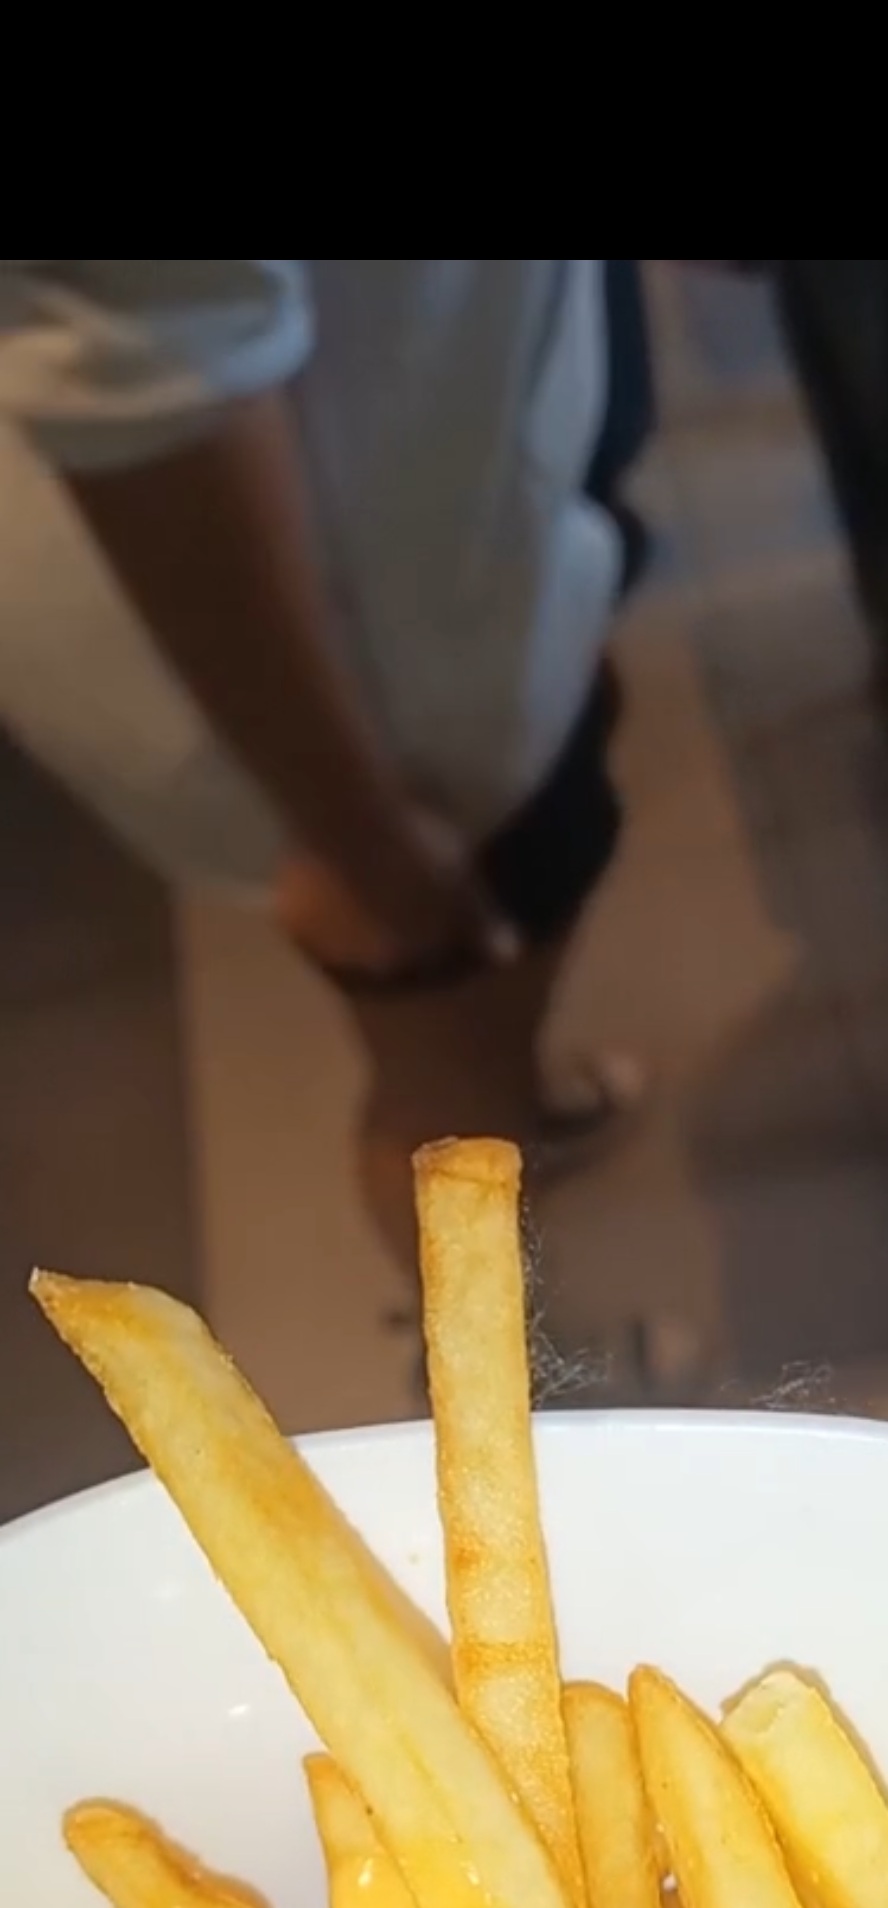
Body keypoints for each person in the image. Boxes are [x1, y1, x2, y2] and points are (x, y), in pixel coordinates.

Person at [0, 260, 653, 1264]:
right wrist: (360, 845)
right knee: (445, 1114)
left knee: (498, 992)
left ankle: (515, 1088)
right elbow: (149, 393)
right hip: (368, 675)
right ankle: (492, 1360)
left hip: (457, 511)